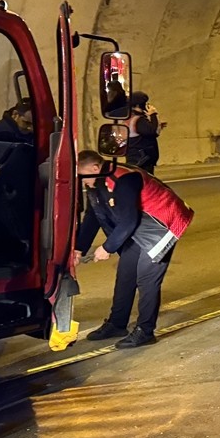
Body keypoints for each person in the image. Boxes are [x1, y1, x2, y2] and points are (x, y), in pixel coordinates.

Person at [75, 150, 194, 349]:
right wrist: (79, 248)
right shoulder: (96, 181)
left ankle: (145, 331)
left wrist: (107, 247)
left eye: (81, 175)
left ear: (95, 168)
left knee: (146, 279)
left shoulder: (124, 178)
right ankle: (117, 324)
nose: (81, 181)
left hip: (162, 224)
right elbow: (94, 215)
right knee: (126, 275)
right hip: (140, 225)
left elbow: (129, 219)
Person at [125, 91, 165, 174]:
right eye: (145, 103)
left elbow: (150, 132)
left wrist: (158, 126)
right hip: (142, 161)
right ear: (139, 105)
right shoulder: (138, 120)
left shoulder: (130, 118)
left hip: (136, 159)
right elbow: (153, 131)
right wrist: (153, 114)